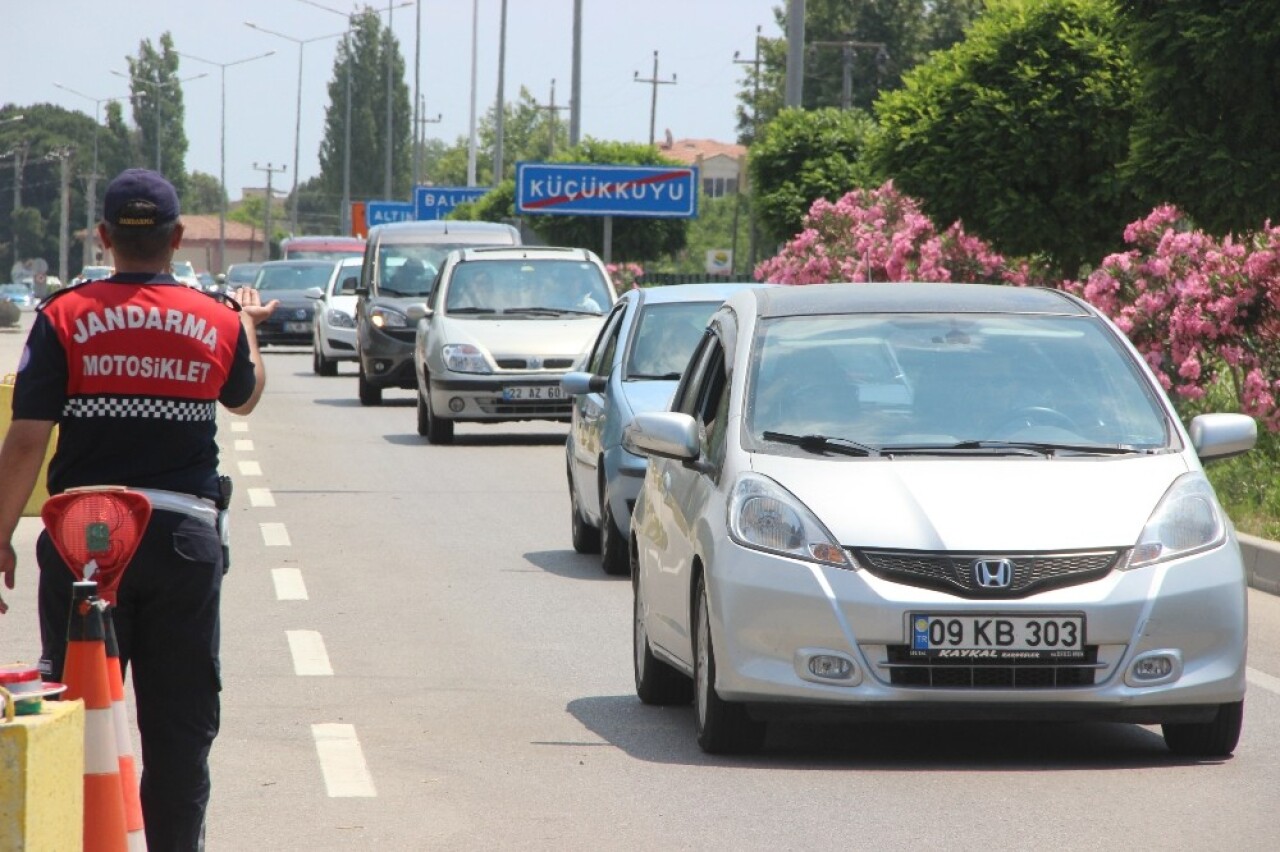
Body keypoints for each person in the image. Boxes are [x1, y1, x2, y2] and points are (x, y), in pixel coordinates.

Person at [0, 168, 277, 851]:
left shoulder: (64, 315)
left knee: (75, 718)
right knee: (179, 731)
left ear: (103, 236)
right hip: (182, 538)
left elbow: (27, 439)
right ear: (178, 238)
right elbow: (243, 399)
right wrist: (246, 326)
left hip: (82, 543)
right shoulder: (213, 318)